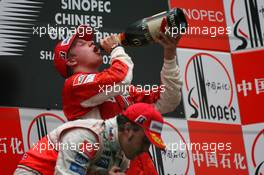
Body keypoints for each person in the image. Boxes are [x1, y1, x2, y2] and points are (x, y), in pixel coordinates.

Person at [53, 24, 182, 174]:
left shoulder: (119, 90)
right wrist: (115, 48)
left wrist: (170, 55)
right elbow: (120, 78)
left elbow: (168, 99)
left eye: (88, 40)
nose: (91, 42)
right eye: (81, 43)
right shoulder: (74, 86)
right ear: (71, 60)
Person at [14, 103, 167, 175]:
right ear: (128, 129)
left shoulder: (123, 155)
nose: (146, 149)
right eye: (145, 141)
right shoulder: (87, 136)